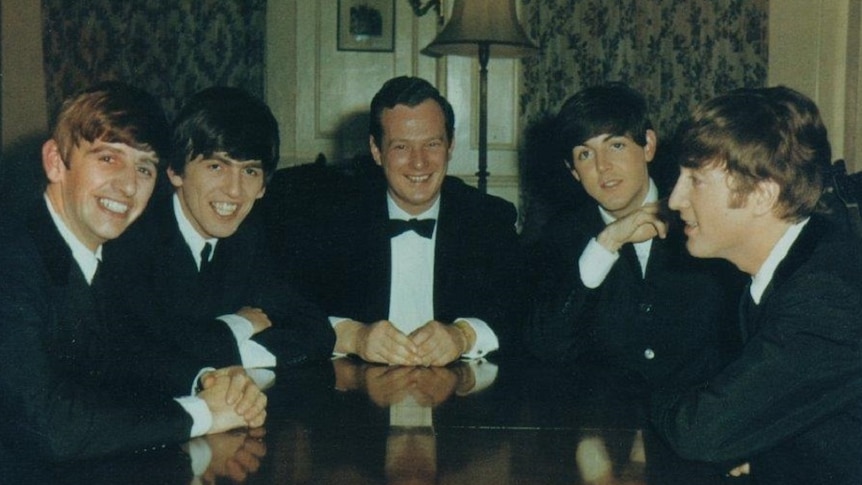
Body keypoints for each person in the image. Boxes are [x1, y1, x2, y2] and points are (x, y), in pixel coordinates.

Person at [0, 82, 266, 462]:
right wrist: (204, 413)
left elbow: (123, 354)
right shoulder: (10, 260)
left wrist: (206, 379)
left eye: (144, 167)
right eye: (108, 158)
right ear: (56, 161)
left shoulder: (95, 254)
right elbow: (48, 426)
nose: (127, 185)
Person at [651, 87, 862, 484]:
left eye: (695, 180)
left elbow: (700, 431)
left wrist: (653, 396)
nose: (675, 200)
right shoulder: (794, 265)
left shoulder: (826, 298)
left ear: (763, 195)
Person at [283, 76, 523, 367]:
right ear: (376, 150)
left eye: (432, 144)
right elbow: (287, 308)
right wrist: (354, 336)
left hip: (461, 398)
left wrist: (464, 336)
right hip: (356, 401)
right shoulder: (332, 219)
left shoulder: (488, 219)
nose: (419, 163)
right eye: (401, 147)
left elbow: (522, 313)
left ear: (451, 145)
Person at [102, 86, 335, 382]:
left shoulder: (247, 236)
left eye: (250, 171)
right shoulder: (131, 236)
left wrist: (235, 356)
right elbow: (143, 353)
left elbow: (316, 331)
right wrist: (239, 326)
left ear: (264, 186)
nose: (235, 191)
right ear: (174, 171)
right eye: (216, 166)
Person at [524, 83, 741, 391]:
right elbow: (545, 346)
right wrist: (606, 244)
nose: (603, 167)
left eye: (616, 145)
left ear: (648, 145)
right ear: (574, 172)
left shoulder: (704, 220)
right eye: (585, 154)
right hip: (599, 426)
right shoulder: (559, 237)